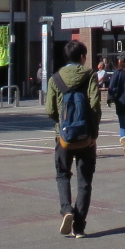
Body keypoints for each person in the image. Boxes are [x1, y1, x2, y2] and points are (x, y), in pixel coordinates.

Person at [46, 39, 101, 238]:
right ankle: (79, 227)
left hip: (63, 138)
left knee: (62, 175)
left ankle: (66, 210)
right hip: (86, 136)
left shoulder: (55, 79)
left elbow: (50, 110)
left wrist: (60, 125)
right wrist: (94, 132)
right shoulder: (90, 75)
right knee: (84, 181)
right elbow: (95, 105)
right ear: (82, 57)